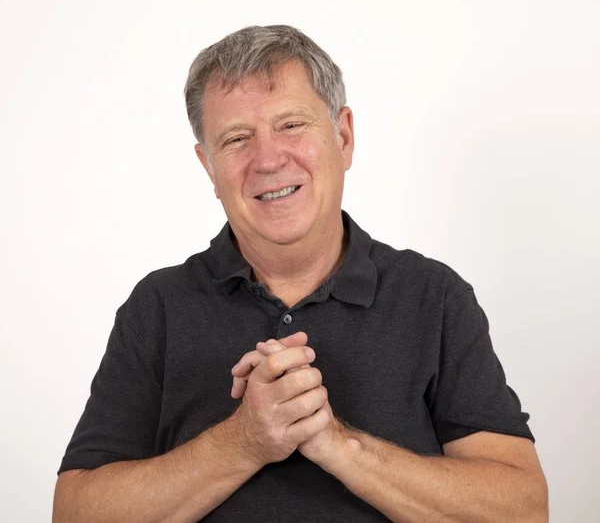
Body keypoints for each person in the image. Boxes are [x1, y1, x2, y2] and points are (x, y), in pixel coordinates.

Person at [53, 25, 549, 522]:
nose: (268, 159)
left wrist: (335, 443)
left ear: (344, 136)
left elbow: (523, 511)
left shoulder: (433, 297)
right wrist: (243, 441)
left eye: (291, 125)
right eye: (237, 139)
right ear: (208, 167)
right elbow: (74, 514)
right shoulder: (157, 306)